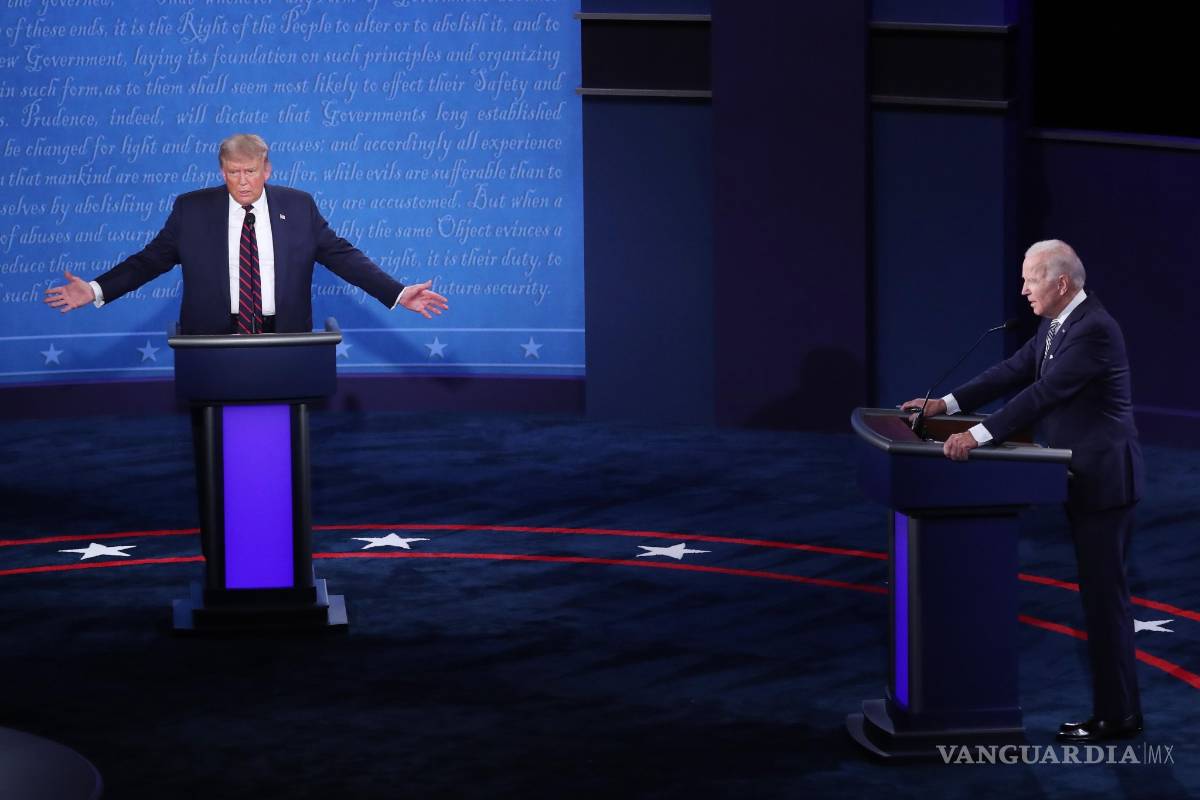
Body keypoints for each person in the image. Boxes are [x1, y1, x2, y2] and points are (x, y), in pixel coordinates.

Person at [901, 239, 1143, 743]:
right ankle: (1118, 710)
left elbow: (1043, 394)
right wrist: (945, 405)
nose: (1024, 290)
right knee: (1100, 600)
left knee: (1105, 603)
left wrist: (978, 435)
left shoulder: (1094, 330)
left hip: (1104, 481)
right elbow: (1014, 370)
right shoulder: (1057, 323)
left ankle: (1118, 716)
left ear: (1061, 283)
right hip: (1077, 474)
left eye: (1032, 279)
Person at [43, 133, 448, 331]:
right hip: (213, 342)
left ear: (266, 170)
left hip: (283, 338)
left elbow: (344, 257)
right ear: (222, 172)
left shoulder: (298, 206)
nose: (242, 181)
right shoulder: (191, 210)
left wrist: (397, 293)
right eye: (233, 172)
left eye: (250, 171)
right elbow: (148, 262)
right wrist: (95, 289)